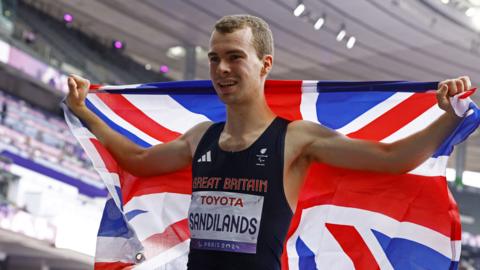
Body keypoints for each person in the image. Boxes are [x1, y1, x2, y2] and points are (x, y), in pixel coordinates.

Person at [66, 15, 472, 270]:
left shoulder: (296, 139)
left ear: (265, 65)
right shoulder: (200, 138)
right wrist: (85, 111)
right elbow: (137, 159)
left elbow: (393, 157)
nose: (221, 68)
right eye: (214, 57)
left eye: (235, 56)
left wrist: (448, 115)